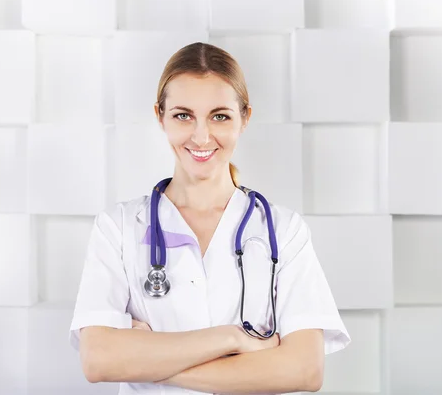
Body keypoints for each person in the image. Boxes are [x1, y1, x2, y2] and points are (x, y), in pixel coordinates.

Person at [69, 42, 350, 395]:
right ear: (160, 116)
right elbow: (99, 360)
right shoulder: (118, 228)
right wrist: (231, 339)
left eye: (220, 116)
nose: (201, 137)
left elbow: (305, 371)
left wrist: (146, 362)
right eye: (183, 115)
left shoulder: (283, 230)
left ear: (245, 118)